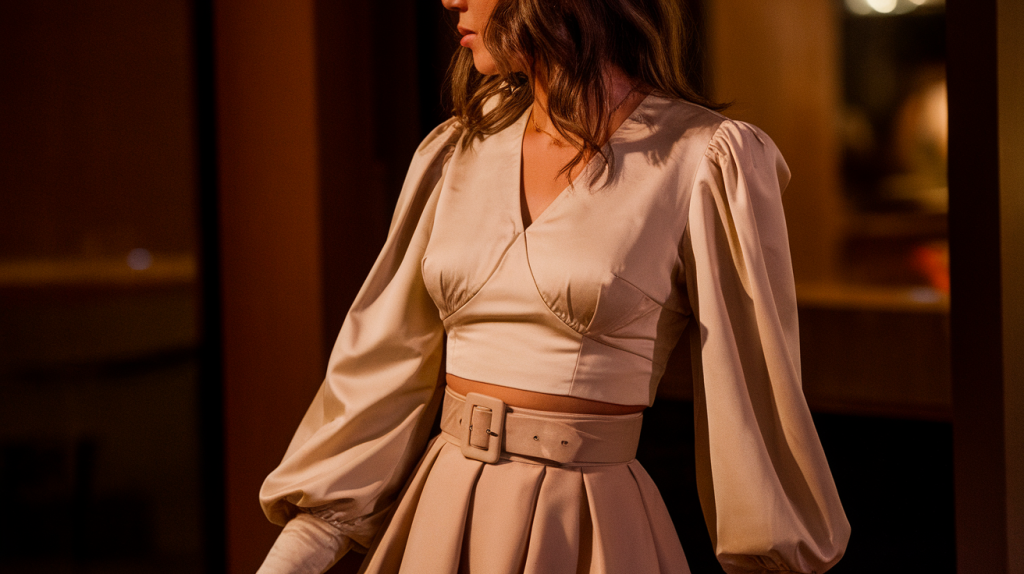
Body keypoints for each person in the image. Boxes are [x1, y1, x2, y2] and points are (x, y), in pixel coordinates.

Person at [256, 0, 851, 572]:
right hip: (443, 518)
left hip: (587, 530)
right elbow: (375, 381)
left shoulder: (703, 159)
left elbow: (756, 404)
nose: (450, 1)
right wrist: (290, 559)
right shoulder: (456, 150)